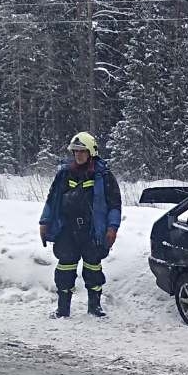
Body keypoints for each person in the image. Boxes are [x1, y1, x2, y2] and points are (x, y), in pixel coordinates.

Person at [39, 132, 122, 319]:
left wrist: (112, 228)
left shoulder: (104, 176)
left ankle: (95, 307)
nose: (78, 155)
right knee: (64, 269)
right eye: (75, 151)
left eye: (82, 151)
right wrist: (44, 223)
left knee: (93, 268)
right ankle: (63, 309)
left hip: (93, 231)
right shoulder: (64, 174)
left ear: (91, 152)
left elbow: (114, 205)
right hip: (67, 229)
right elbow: (51, 201)